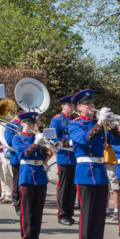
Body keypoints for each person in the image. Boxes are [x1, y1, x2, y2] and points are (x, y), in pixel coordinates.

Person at [69, 89, 118, 239]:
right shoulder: (75, 124)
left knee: (99, 218)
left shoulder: (102, 126)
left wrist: (112, 125)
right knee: (87, 218)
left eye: (92, 104)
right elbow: (84, 140)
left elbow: (118, 142)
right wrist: (100, 123)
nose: (91, 106)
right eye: (87, 104)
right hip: (84, 174)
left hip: (100, 173)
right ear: (79, 107)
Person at [12, 112, 48, 239]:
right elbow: (23, 154)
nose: (31, 126)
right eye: (28, 123)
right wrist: (36, 143)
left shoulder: (37, 137)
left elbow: (44, 156)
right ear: (22, 124)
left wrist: (45, 145)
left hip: (40, 175)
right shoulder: (17, 138)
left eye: (33, 123)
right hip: (27, 174)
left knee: (38, 211)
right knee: (27, 211)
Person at [49, 94, 78, 225]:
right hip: (64, 156)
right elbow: (52, 138)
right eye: (69, 105)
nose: (72, 107)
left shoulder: (76, 119)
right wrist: (67, 141)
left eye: (73, 105)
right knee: (64, 187)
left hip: (75, 157)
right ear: (63, 106)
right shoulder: (56, 120)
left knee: (72, 188)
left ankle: (70, 213)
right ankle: (62, 214)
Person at [4, 108, 25, 216]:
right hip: (16, 158)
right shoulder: (11, 125)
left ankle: (25, 204)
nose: (22, 114)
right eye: (20, 113)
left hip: (27, 158)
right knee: (17, 183)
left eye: (23, 113)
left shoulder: (27, 124)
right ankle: (17, 205)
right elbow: (9, 140)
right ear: (16, 114)